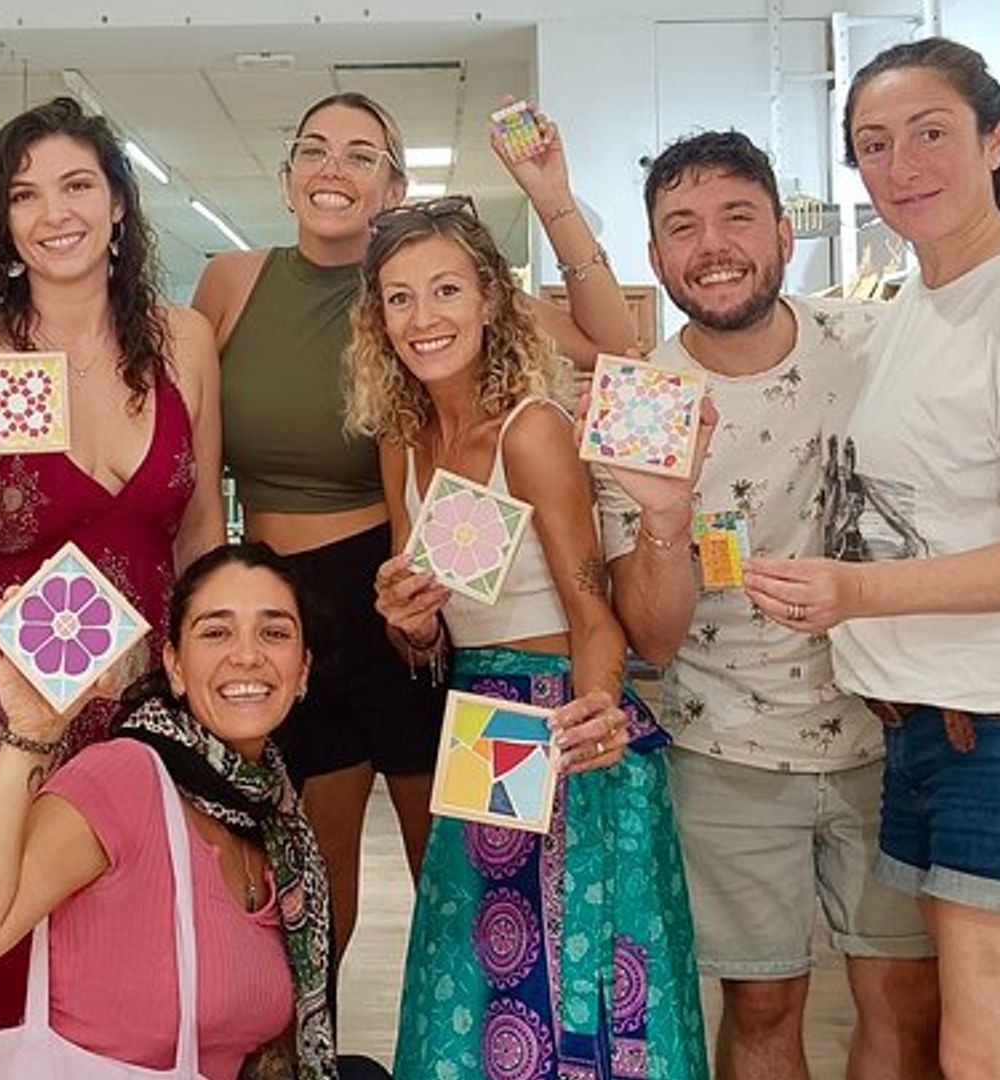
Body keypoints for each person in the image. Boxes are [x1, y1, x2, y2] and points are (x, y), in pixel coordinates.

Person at [742, 37, 1000, 1080]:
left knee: (989, 1059)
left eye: (930, 133)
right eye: (875, 145)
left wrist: (856, 590)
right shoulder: (916, 307)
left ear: (995, 140)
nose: (903, 165)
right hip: (942, 730)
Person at [191, 91, 638, 965]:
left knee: (461, 874)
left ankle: (481, 1013)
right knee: (308, 880)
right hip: (277, 604)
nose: (333, 168)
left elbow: (612, 341)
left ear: (392, 187)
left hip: (406, 582)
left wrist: (550, 195)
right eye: (314, 148)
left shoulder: (436, 285)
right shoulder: (233, 281)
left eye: (361, 154)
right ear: (286, 175)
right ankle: (309, 1035)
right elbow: (188, 441)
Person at [596, 129, 941, 1080]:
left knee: (908, 998)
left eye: (737, 217)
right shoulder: (643, 403)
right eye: (683, 227)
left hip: (893, 733)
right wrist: (666, 516)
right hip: (726, 745)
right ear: (656, 255)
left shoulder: (874, 344)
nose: (713, 245)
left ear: (785, 234)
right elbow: (652, 636)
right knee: (762, 1002)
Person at [0, 96, 224, 1080]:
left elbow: (200, 531)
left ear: (119, 202)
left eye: (77, 185)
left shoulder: (185, 343)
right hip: (1, 714)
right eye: (25, 194)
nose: (54, 213)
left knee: (137, 965)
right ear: (3, 221)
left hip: (147, 711)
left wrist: (216, 691)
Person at [352, 197, 707, 1079]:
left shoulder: (533, 428)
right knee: (481, 994)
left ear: (490, 300)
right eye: (399, 297)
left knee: (578, 995)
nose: (423, 318)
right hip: (477, 726)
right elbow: (427, 644)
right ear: (377, 318)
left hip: (565, 719)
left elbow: (595, 617)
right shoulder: (401, 443)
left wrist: (595, 715)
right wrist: (409, 624)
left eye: (446, 290)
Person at [0, 542, 334, 1080]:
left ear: (302, 671)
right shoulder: (125, 778)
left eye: (274, 632)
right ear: (174, 666)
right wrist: (31, 732)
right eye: (216, 632)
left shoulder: (278, 826)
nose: (247, 655)